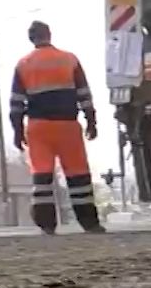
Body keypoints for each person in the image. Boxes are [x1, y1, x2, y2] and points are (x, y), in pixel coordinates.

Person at [8, 21, 104, 234]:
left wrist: (17, 131)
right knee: (78, 175)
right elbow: (84, 94)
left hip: (38, 128)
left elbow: (16, 102)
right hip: (67, 125)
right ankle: (90, 223)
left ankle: (47, 224)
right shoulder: (69, 59)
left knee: (42, 177)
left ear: (31, 38)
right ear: (49, 35)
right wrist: (91, 120)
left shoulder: (23, 64)